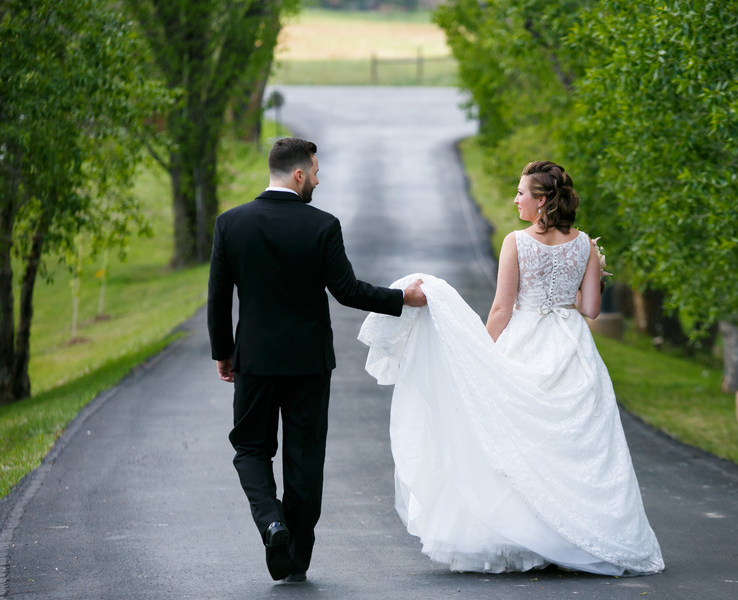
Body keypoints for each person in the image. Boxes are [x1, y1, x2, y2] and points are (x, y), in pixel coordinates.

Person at [358, 161, 664, 576]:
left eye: (521, 193)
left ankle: (526, 536)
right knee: (571, 440)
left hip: (525, 338)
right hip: (571, 344)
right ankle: (577, 534)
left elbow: (503, 307)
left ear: (541, 202)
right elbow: (590, 309)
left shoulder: (516, 243)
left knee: (516, 437)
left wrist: (481, 353)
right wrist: (590, 276)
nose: (515, 199)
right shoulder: (587, 246)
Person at [207, 137, 426, 583]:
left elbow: (217, 299)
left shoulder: (230, 224)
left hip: (256, 361)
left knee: (251, 448)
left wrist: (224, 353)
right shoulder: (322, 225)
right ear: (299, 174)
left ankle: (272, 523)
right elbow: (346, 291)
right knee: (305, 457)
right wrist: (402, 299)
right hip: (309, 362)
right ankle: (296, 558)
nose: (319, 179)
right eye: (316, 171)